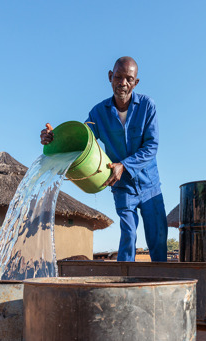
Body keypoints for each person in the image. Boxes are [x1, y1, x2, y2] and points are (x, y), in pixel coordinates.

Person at [41, 56, 168, 262]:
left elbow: (151, 146)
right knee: (129, 236)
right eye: (118, 76)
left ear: (136, 82)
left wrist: (124, 166)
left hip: (149, 185)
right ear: (110, 77)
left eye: (129, 78)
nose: (123, 83)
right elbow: (82, 140)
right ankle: (124, 286)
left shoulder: (147, 106)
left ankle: (164, 284)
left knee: (158, 238)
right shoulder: (98, 113)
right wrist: (54, 139)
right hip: (121, 186)